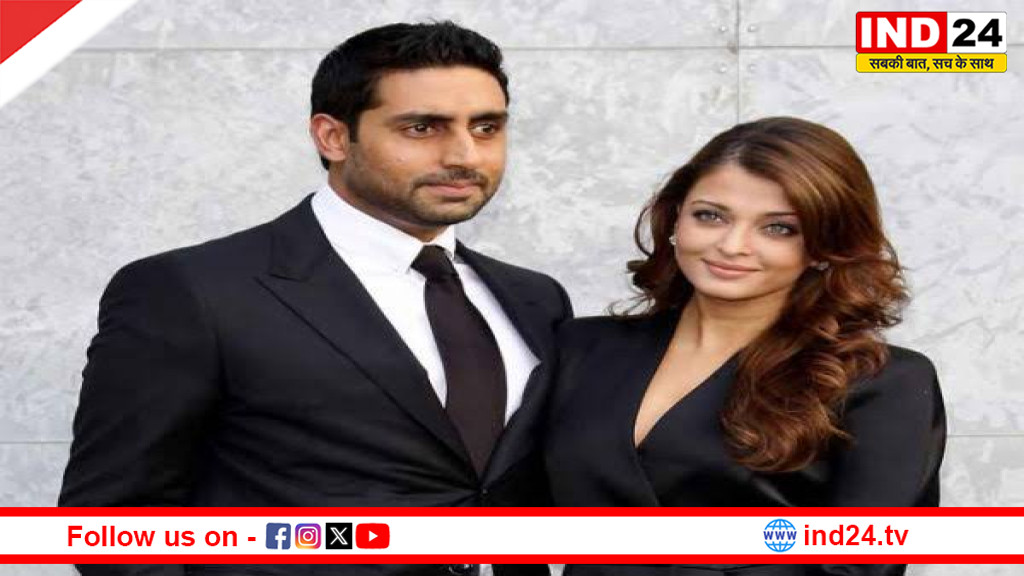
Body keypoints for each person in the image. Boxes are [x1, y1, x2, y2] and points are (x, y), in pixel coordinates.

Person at [59, 21, 572, 576]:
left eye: (487, 127)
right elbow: (110, 525)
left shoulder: (535, 299)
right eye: (422, 127)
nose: (464, 154)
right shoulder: (192, 291)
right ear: (332, 137)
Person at [545, 117, 946, 576]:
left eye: (779, 228)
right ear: (675, 218)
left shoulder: (884, 382)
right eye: (710, 216)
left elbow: (860, 567)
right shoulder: (581, 347)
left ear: (824, 247)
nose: (733, 245)